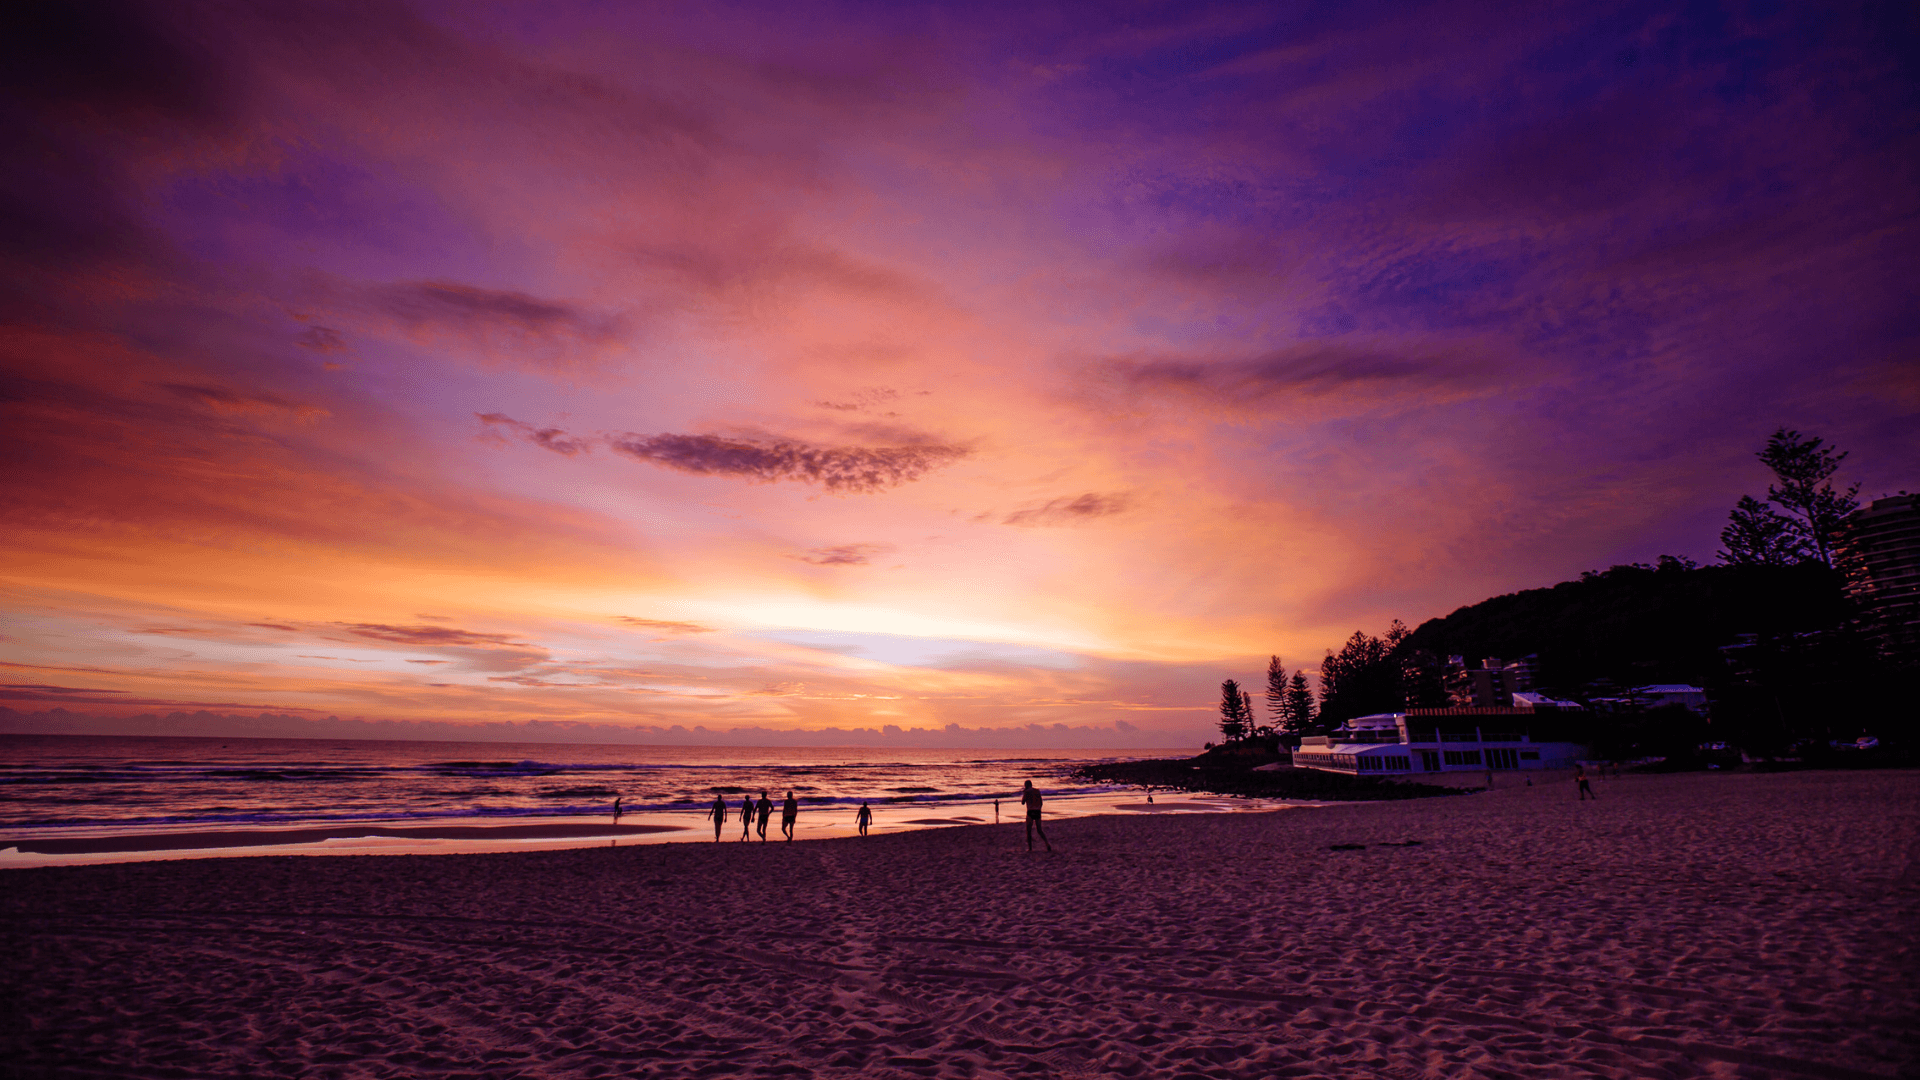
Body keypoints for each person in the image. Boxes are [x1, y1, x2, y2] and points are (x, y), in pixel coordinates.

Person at [1019, 780, 1052, 852]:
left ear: (1026, 785)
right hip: (1037, 811)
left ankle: (1030, 848)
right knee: (1039, 830)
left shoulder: (1027, 792)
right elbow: (1041, 802)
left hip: (1030, 811)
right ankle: (1047, 843)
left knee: (1029, 831)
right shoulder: (1037, 791)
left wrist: (1024, 793)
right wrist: (1039, 809)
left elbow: (1023, 802)